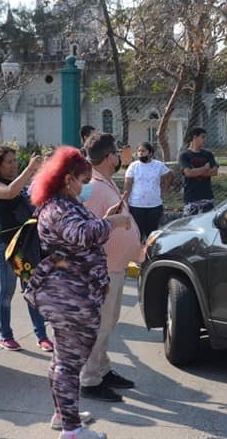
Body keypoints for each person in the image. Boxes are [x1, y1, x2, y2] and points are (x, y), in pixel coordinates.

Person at [26, 146, 131, 439]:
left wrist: (104, 218)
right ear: (67, 178)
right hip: (70, 296)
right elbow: (81, 235)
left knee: (63, 360)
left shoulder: (62, 203)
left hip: (73, 293)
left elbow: (82, 229)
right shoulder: (58, 208)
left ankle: (63, 414)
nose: (84, 187)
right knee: (69, 364)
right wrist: (112, 223)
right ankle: (72, 430)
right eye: (82, 181)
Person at [80, 132, 142, 402]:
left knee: (108, 324)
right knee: (100, 325)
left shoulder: (104, 183)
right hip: (101, 270)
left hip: (113, 268)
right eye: (117, 152)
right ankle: (90, 381)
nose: (120, 156)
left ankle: (102, 371)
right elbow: (89, 232)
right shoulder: (93, 188)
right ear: (109, 157)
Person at [0, 146, 52, 352]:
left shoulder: (15, 181)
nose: (14, 164)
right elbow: (9, 194)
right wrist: (29, 169)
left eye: (14, 160)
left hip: (26, 244)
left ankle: (42, 335)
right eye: (9, 161)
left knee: (31, 290)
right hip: (7, 246)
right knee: (7, 291)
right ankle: (5, 335)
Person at [123, 141, 173, 242]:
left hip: (154, 206)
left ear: (150, 153)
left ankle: (149, 256)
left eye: (143, 151)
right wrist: (125, 201)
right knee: (137, 235)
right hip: (137, 206)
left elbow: (170, 176)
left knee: (152, 236)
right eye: (139, 151)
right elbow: (128, 184)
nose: (140, 153)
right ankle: (138, 257)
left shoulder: (158, 165)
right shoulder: (133, 166)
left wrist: (165, 189)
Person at [179, 127, 219, 216]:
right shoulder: (184, 155)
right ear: (194, 137)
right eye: (202, 137)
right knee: (190, 226)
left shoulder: (208, 154)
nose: (204, 140)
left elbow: (214, 171)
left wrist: (195, 171)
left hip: (207, 197)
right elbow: (188, 173)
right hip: (191, 198)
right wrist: (205, 169)